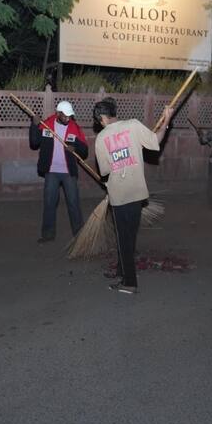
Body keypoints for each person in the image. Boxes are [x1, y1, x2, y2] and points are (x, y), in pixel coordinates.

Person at [93, 98, 174, 294]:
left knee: (124, 239)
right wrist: (167, 121)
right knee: (128, 237)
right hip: (138, 194)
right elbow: (156, 141)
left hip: (119, 196)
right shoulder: (134, 125)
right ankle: (122, 271)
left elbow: (104, 171)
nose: (100, 123)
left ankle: (129, 282)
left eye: (99, 120)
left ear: (103, 117)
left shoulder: (101, 138)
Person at [29, 100, 88, 243]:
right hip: (51, 172)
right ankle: (48, 235)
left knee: (73, 203)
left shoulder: (75, 128)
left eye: (69, 116)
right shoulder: (46, 125)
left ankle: (79, 235)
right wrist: (34, 125)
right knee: (49, 203)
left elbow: (85, 150)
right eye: (65, 116)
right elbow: (34, 142)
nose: (68, 118)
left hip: (68, 172)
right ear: (58, 113)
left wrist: (76, 148)